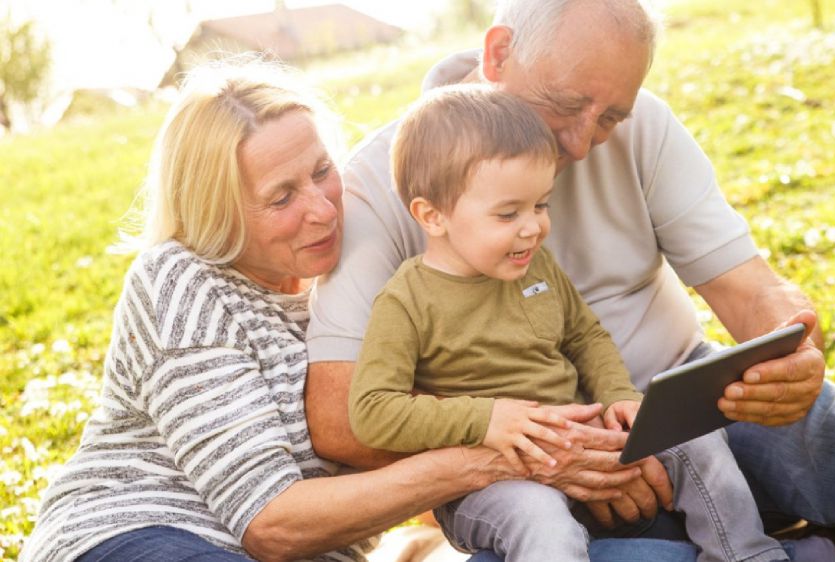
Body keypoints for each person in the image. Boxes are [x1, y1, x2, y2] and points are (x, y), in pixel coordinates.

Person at [304, 0, 835, 560]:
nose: (580, 143)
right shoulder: (384, 186)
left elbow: (751, 290)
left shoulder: (646, 128)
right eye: (566, 104)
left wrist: (790, 344)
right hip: (519, 469)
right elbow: (340, 417)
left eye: (609, 117)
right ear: (496, 53)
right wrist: (558, 454)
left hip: (683, 403)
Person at [18, 57, 530, 562]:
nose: (324, 209)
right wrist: (475, 463)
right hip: (137, 533)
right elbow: (270, 522)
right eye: (282, 197)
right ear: (214, 208)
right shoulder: (181, 280)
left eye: (322, 171)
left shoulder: (370, 286)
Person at [347, 84, 803, 562]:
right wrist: (486, 419)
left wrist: (619, 395)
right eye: (508, 213)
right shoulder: (405, 302)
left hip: (585, 439)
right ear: (431, 215)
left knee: (698, 441)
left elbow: (584, 335)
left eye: (540, 205)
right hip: (496, 484)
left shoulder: (533, 264)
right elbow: (373, 410)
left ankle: (749, 555)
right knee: (540, 520)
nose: (533, 227)